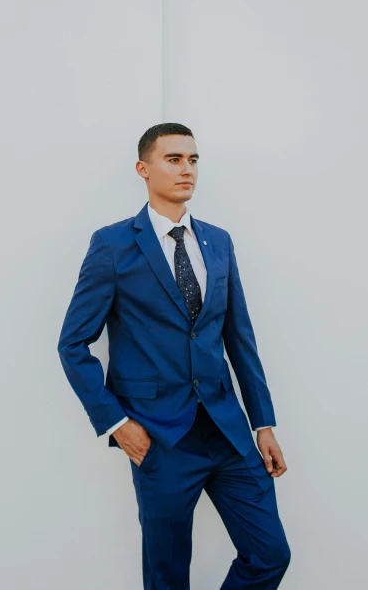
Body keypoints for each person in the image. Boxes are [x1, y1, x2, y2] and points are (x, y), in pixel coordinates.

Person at [57, 122, 291, 589]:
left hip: (228, 430)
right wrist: (117, 425)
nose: (187, 169)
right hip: (159, 438)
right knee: (166, 576)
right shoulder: (113, 244)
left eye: (193, 160)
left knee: (269, 554)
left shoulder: (218, 241)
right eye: (174, 159)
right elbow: (72, 344)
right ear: (144, 169)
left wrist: (263, 423)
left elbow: (239, 337)